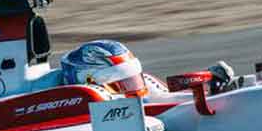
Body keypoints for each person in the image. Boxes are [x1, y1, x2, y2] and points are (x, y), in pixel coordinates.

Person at [61, 40, 237, 97]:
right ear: (91, 82)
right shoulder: (80, 98)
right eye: (121, 84)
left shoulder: (144, 83)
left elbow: (163, 98)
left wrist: (208, 87)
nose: (135, 91)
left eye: (132, 80)